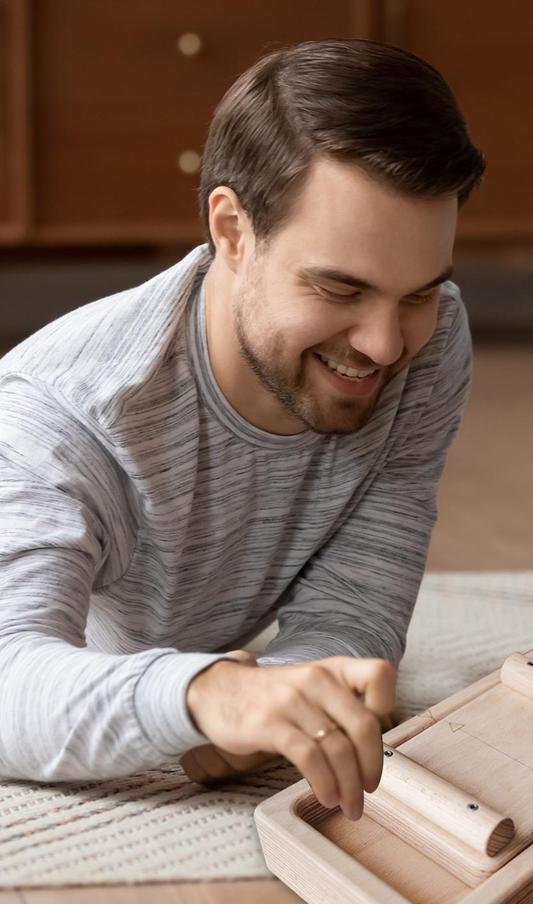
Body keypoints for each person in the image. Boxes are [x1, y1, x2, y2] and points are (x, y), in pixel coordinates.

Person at [0, 39, 485, 818]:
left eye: (420, 293)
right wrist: (210, 694)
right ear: (231, 230)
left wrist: (289, 700)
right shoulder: (57, 413)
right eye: (339, 287)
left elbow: (356, 608)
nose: (386, 344)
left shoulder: (428, 347)